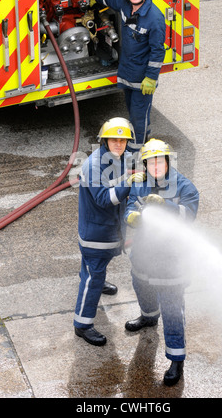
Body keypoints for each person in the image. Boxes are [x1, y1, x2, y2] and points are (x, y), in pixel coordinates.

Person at [124, 138, 199, 386]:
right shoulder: (140, 183)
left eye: (159, 160)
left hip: (171, 260)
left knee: (172, 310)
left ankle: (177, 359)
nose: (155, 166)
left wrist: (165, 205)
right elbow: (129, 205)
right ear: (145, 164)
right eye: (150, 162)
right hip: (144, 254)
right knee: (141, 285)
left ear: (167, 161)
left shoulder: (185, 187)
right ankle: (148, 317)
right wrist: (131, 216)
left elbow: (187, 216)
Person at [74, 117, 145, 346]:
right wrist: (129, 185)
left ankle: (96, 278)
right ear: (104, 140)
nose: (119, 144)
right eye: (114, 140)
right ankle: (82, 324)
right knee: (93, 275)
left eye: (123, 140)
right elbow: (105, 198)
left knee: (95, 269)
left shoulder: (121, 158)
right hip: (96, 234)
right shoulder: (94, 165)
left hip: (108, 231)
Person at [87, 0, 166, 154]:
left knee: (138, 115)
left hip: (142, 77)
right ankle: (144, 138)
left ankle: (135, 153)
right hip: (127, 72)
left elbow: (158, 51)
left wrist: (151, 78)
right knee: (134, 111)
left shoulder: (154, 18)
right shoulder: (124, 4)